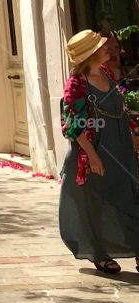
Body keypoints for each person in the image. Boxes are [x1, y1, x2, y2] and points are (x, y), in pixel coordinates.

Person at [59, 29, 139, 275]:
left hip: (120, 147)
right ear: (90, 54)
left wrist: (132, 136)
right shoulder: (76, 84)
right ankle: (99, 254)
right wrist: (93, 156)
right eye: (102, 46)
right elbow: (72, 125)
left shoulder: (106, 73)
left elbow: (119, 111)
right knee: (95, 204)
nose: (108, 48)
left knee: (129, 197)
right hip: (94, 151)